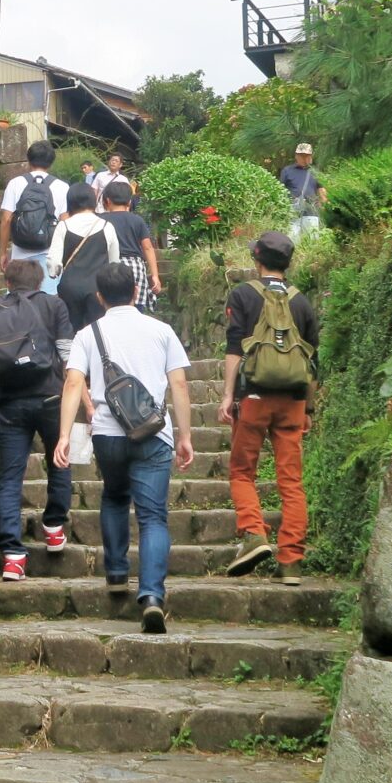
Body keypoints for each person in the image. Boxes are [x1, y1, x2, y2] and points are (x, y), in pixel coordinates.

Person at [54, 261, 194, 633]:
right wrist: (184, 436)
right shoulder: (161, 331)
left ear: (99, 298)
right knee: (153, 518)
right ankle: (151, 597)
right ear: (136, 291)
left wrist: (65, 435)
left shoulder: (88, 334)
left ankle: (116, 572)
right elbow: (179, 385)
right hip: (152, 434)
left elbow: (72, 385)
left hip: (108, 435)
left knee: (115, 497)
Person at [218, 230, 320, 587]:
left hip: (254, 398)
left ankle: (254, 534)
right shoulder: (303, 302)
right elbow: (312, 360)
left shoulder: (244, 294)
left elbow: (235, 349)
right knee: (291, 482)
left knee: (242, 472)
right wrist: (308, 409)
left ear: (257, 260)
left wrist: (228, 396)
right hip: (293, 402)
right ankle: (291, 561)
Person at [0, 257, 76, 581]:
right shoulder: (54, 306)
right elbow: (68, 356)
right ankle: (54, 526)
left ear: (8, 282)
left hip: (11, 403)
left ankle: (13, 555)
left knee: (9, 478)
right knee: (60, 461)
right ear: (40, 281)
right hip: (51, 398)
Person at [47, 183, 122, 328]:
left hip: (70, 287)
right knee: (97, 330)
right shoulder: (107, 226)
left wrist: (54, 273)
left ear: (71, 201)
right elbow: (114, 262)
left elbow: (53, 262)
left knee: (70, 332)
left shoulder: (64, 226)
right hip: (98, 288)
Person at [0, 142, 68, 288]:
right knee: (48, 303)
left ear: (28, 160)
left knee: (19, 301)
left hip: (19, 256)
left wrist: (3, 252)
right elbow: (65, 223)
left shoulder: (15, 183)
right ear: (51, 162)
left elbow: (6, 220)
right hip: (49, 256)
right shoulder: (62, 186)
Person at [100, 179, 162, 314]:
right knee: (135, 309)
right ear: (129, 201)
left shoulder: (100, 220)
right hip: (135, 268)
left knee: (109, 307)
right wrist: (155, 275)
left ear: (107, 201)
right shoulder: (137, 220)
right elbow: (147, 248)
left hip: (108, 265)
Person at [278, 143, 327, 240]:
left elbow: (321, 189)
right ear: (296, 156)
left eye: (306, 155)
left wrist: (323, 203)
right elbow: (280, 190)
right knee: (292, 241)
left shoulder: (315, 172)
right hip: (293, 212)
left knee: (312, 241)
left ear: (311, 156)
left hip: (311, 212)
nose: (304, 158)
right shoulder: (287, 171)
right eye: (301, 155)